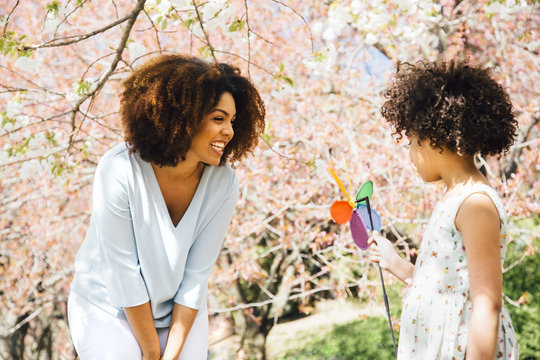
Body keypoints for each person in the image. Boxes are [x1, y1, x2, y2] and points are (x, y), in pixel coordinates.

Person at [68, 54, 265, 360]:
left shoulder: (223, 183)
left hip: (178, 316)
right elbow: (123, 273)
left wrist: (170, 354)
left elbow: (196, 277)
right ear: (183, 118)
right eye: (218, 118)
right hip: (108, 308)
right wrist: (150, 352)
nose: (229, 130)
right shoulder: (119, 169)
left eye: (232, 121)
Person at [368, 59, 519, 359]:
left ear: (434, 138)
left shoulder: (475, 203)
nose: (410, 154)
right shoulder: (454, 197)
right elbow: (446, 286)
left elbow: (487, 303)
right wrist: (395, 263)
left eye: (411, 142)